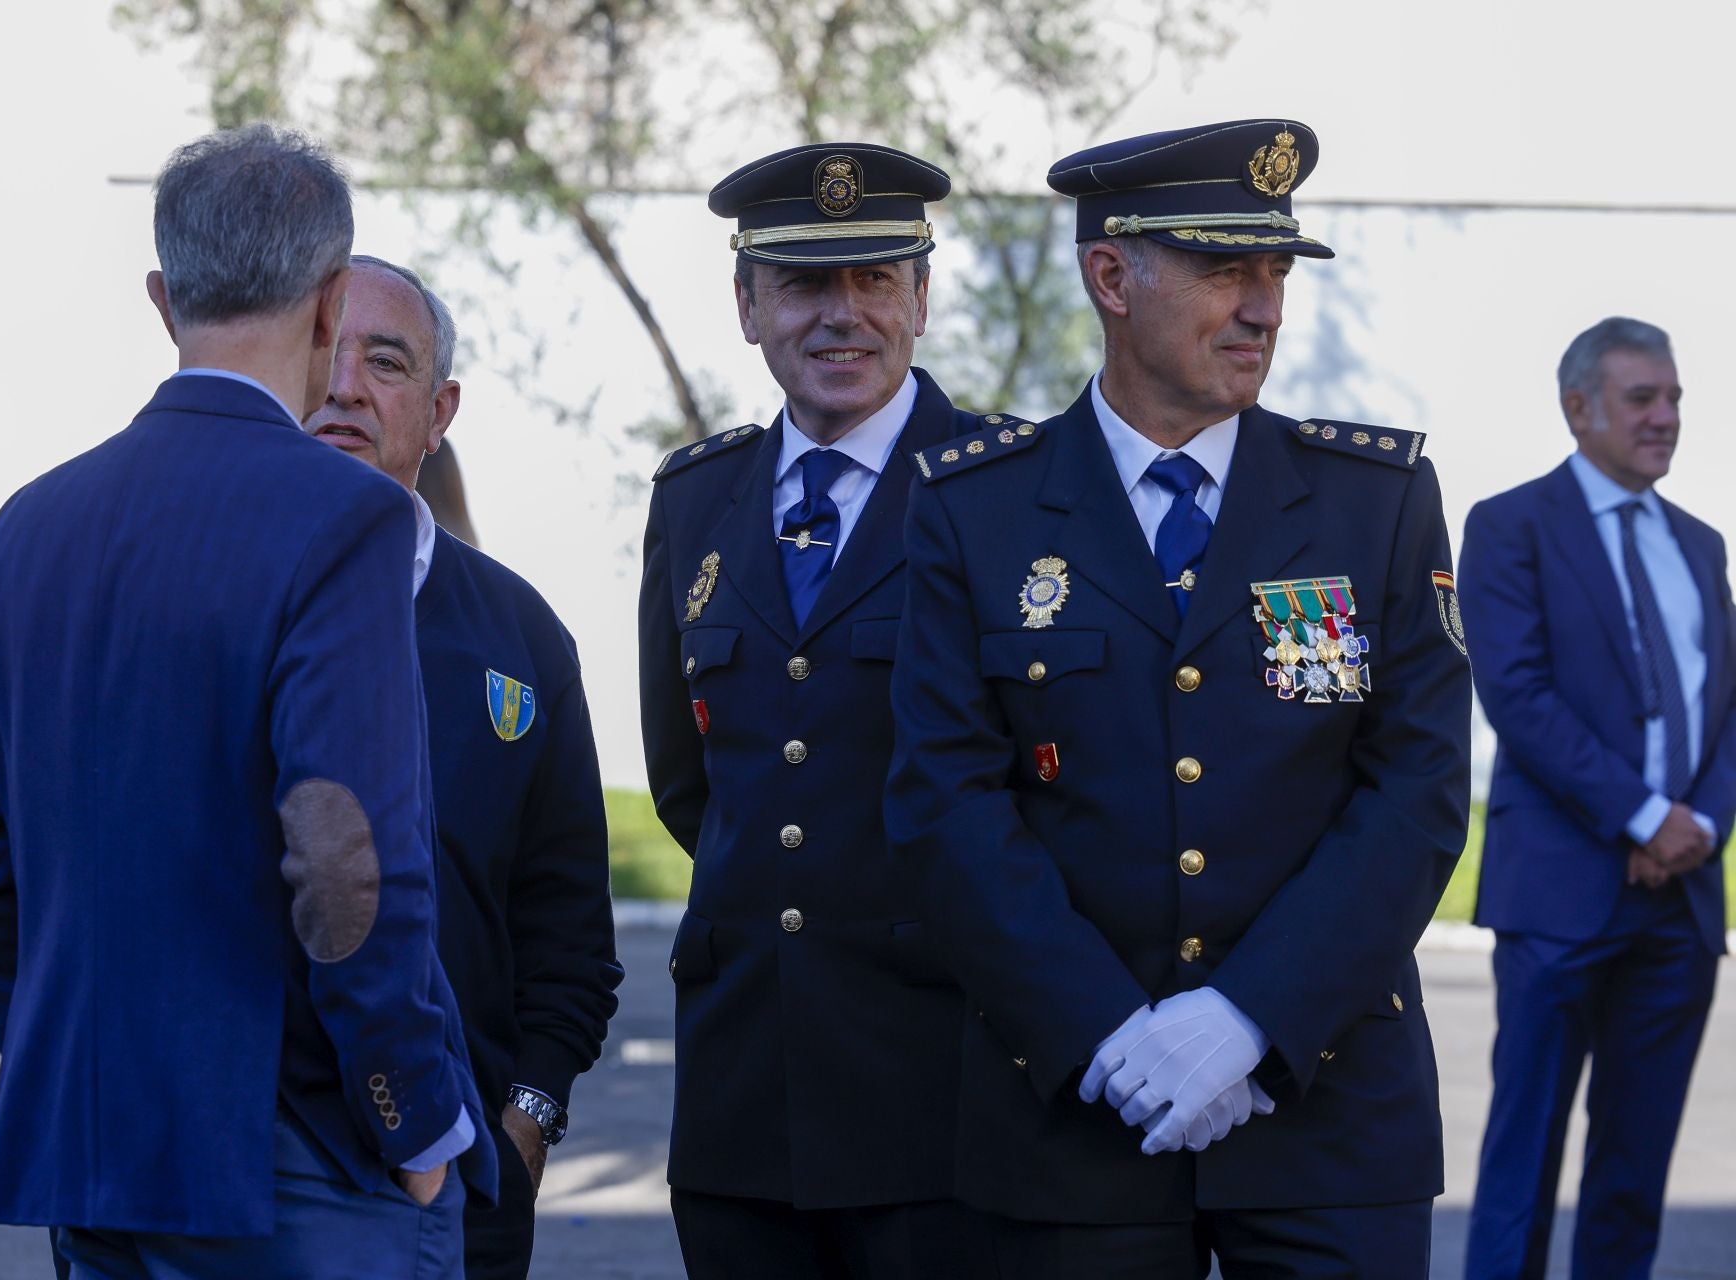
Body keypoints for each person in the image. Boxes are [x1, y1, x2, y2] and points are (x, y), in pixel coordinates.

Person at [885, 119, 1472, 1277]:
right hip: (1074, 1120)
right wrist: (1107, 1034)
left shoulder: (1372, 500)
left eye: (1275, 271)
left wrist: (1249, 1017)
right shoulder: (977, 509)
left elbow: (1416, 789)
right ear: (1110, 275)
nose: (1264, 307)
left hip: (1327, 1118)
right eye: (1223, 269)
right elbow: (946, 804)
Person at [0, 125, 495, 1278]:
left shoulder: (25, 525)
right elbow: (346, 861)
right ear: (333, 305)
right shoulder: (349, 517)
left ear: (161, 295)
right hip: (290, 1154)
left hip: (94, 1130)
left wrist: (60, 1044)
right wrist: (415, 1117)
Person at [638, 141, 992, 1279]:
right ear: (749, 304)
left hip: (938, 1095)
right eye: (803, 283)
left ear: (922, 297)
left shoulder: (1007, 487)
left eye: (877, 277)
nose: (843, 316)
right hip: (744, 1092)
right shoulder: (697, 499)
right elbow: (690, 784)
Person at [303, 254, 622, 1280]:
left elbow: (568, 929)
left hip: (461, 1192)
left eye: (385, 360)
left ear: (438, 411)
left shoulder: (519, 635)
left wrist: (523, 1126)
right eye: (323, 349)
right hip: (230, 1187)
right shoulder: (181, 596)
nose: (345, 384)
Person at [1459, 317, 1733, 1279]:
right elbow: (1519, 699)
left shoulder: (1701, 545)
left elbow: (1726, 706)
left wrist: (1699, 827)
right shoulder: (1509, 526)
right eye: (1642, 399)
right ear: (1579, 409)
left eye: (1675, 399)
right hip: (1561, 895)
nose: (1666, 418)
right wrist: (1647, 816)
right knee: (1523, 1161)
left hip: (1681, 903)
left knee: (1633, 1173)